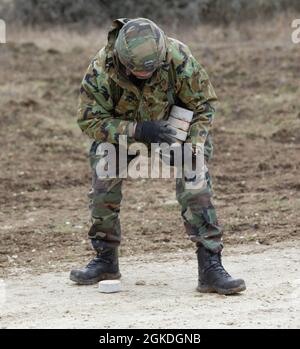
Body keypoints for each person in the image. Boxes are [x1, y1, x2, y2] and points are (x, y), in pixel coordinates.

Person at [70, 17, 246, 295]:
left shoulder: (178, 58)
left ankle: (210, 266)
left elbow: (203, 105)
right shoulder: (101, 69)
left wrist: (193, 146)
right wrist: (138, 129)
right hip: (125, 132)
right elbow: (89, 121)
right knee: (104, 182)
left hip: (173, 126)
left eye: (151, 71)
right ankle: (105, 260)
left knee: (194, 177)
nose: (146, 75)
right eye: (139, 71)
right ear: (122, 60)